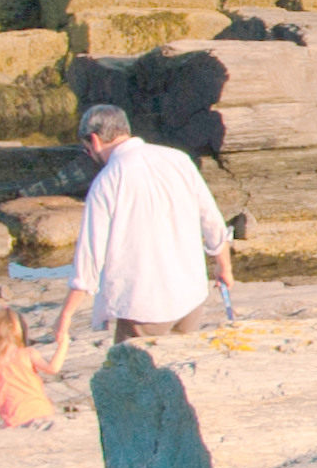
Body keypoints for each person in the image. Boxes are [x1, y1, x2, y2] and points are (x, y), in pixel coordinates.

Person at [53, 103, 236, 361]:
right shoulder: (178, 160)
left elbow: (89, 260)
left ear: (94, 140)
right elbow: (212, 221)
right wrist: (223, 266)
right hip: (190, 295)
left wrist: (65, 316)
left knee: (129, 385)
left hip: (143, 304)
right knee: (179, 375)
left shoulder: (108, 180)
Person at [0, 306, 60, 429]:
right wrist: (63, 344)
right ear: (18, 330)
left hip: (13, 421)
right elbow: (53, 368)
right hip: (40, 413)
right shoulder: (28, 353)